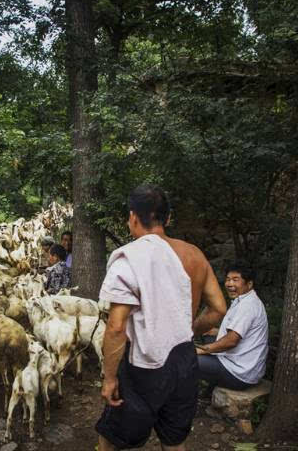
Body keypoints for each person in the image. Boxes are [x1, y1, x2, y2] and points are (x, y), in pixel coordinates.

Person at [95, 184, 226, 451]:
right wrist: (187, 327)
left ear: (133, 217)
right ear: (167, 218)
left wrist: (109, 378)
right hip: (184, 361)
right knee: (174, 439)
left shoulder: (129, 259)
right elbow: (219, 310)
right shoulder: (195, 256)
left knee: (113, 437)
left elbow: (117, 326)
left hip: (145, 365)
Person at [195, 263, 268, 393]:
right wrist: (214, 332)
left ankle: (182, 398)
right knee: (208, 334)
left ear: (249, 284)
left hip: (239, 374)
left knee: (186, 359)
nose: (229, 284)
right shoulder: (243, 300)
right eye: (228, 279)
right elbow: (241, 332)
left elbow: (231, 341)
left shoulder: (248, 306)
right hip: (242, 365)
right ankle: (209, 390)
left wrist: (202, 351)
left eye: (235, 280)